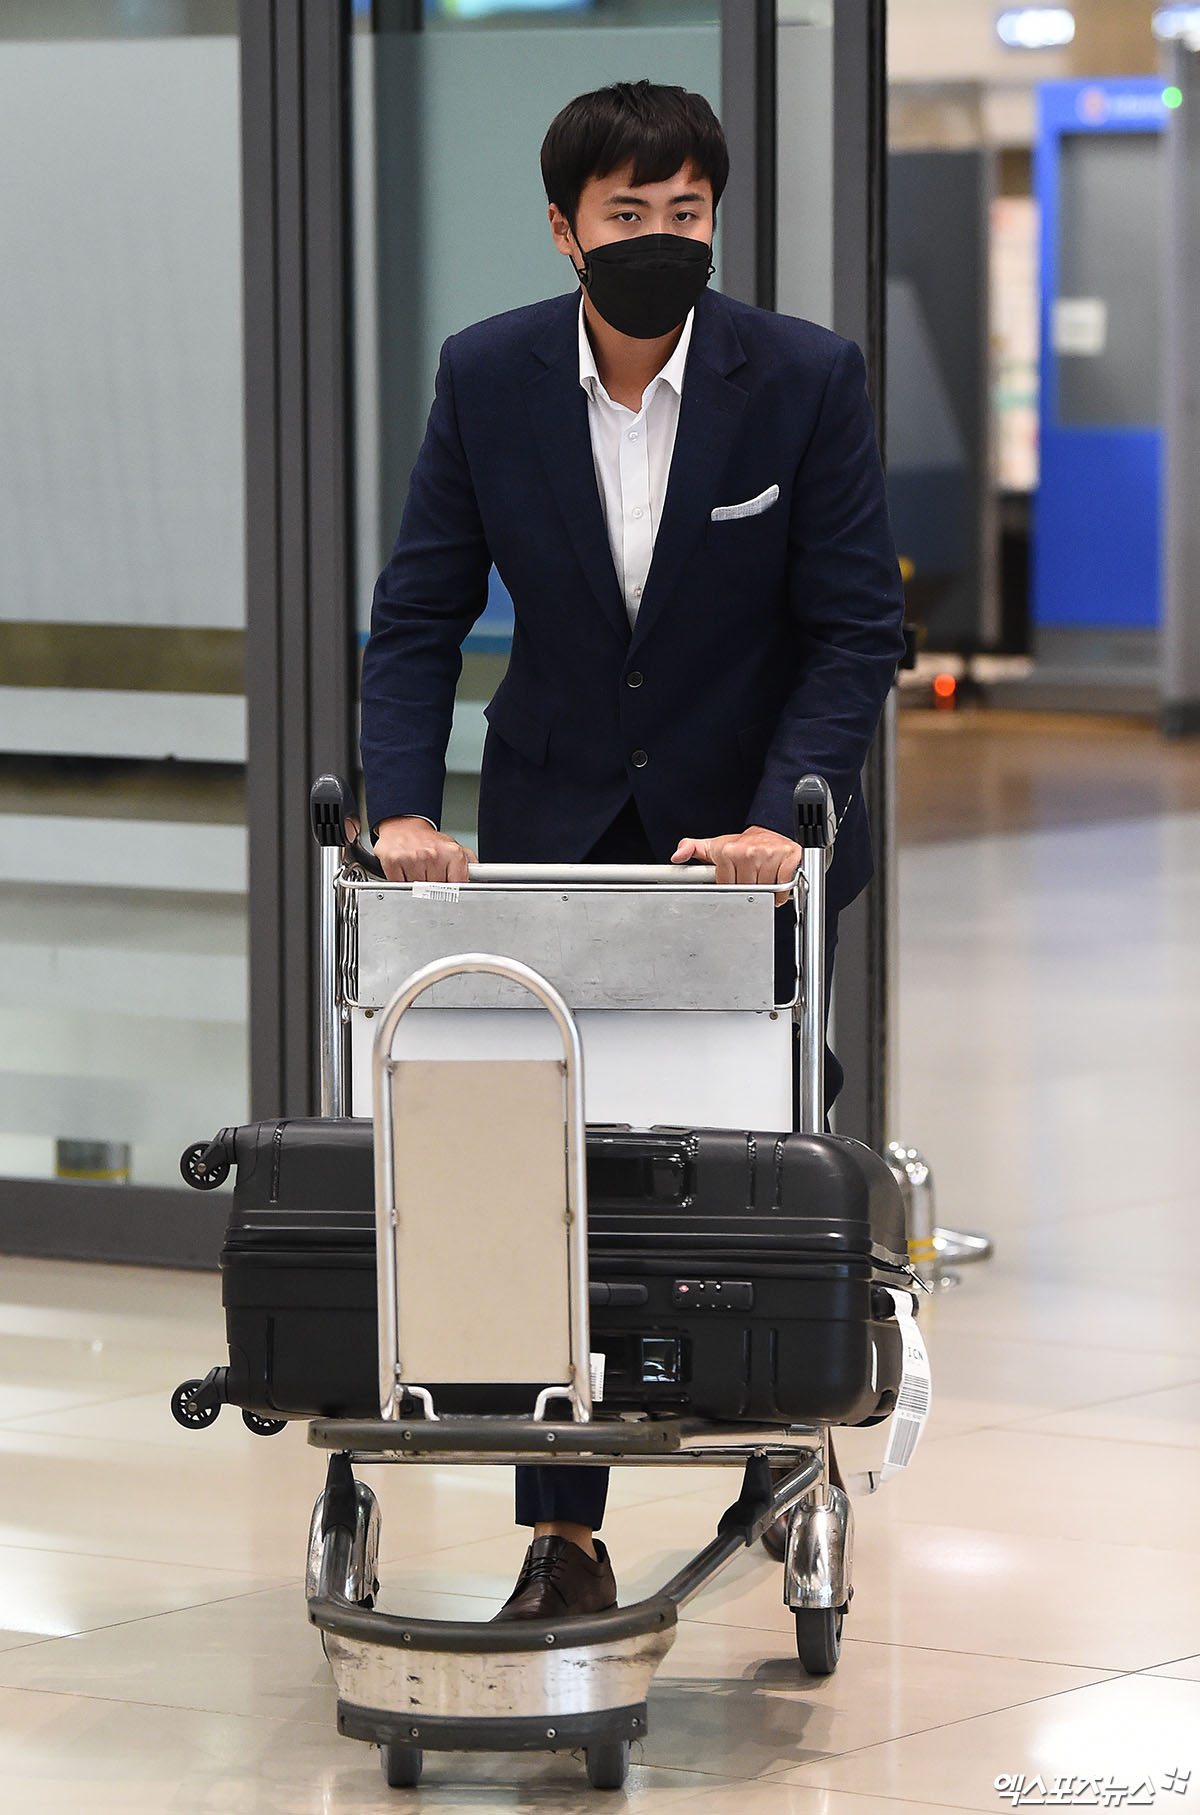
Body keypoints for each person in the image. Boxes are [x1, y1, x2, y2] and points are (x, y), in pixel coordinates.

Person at [359, 80, 905, 1622]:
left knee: (754, 1147)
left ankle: (778, 1425)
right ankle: (565, 1528)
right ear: (565, 229)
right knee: (550, 1163)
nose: (662, 235)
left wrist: (786, 813)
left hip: (752, 843)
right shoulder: (490, 376)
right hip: (560, 829)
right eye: (627, 213)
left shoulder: (801, 379)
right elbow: (420, 611)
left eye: (686, 211)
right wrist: (403, 810)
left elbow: (854, 627)